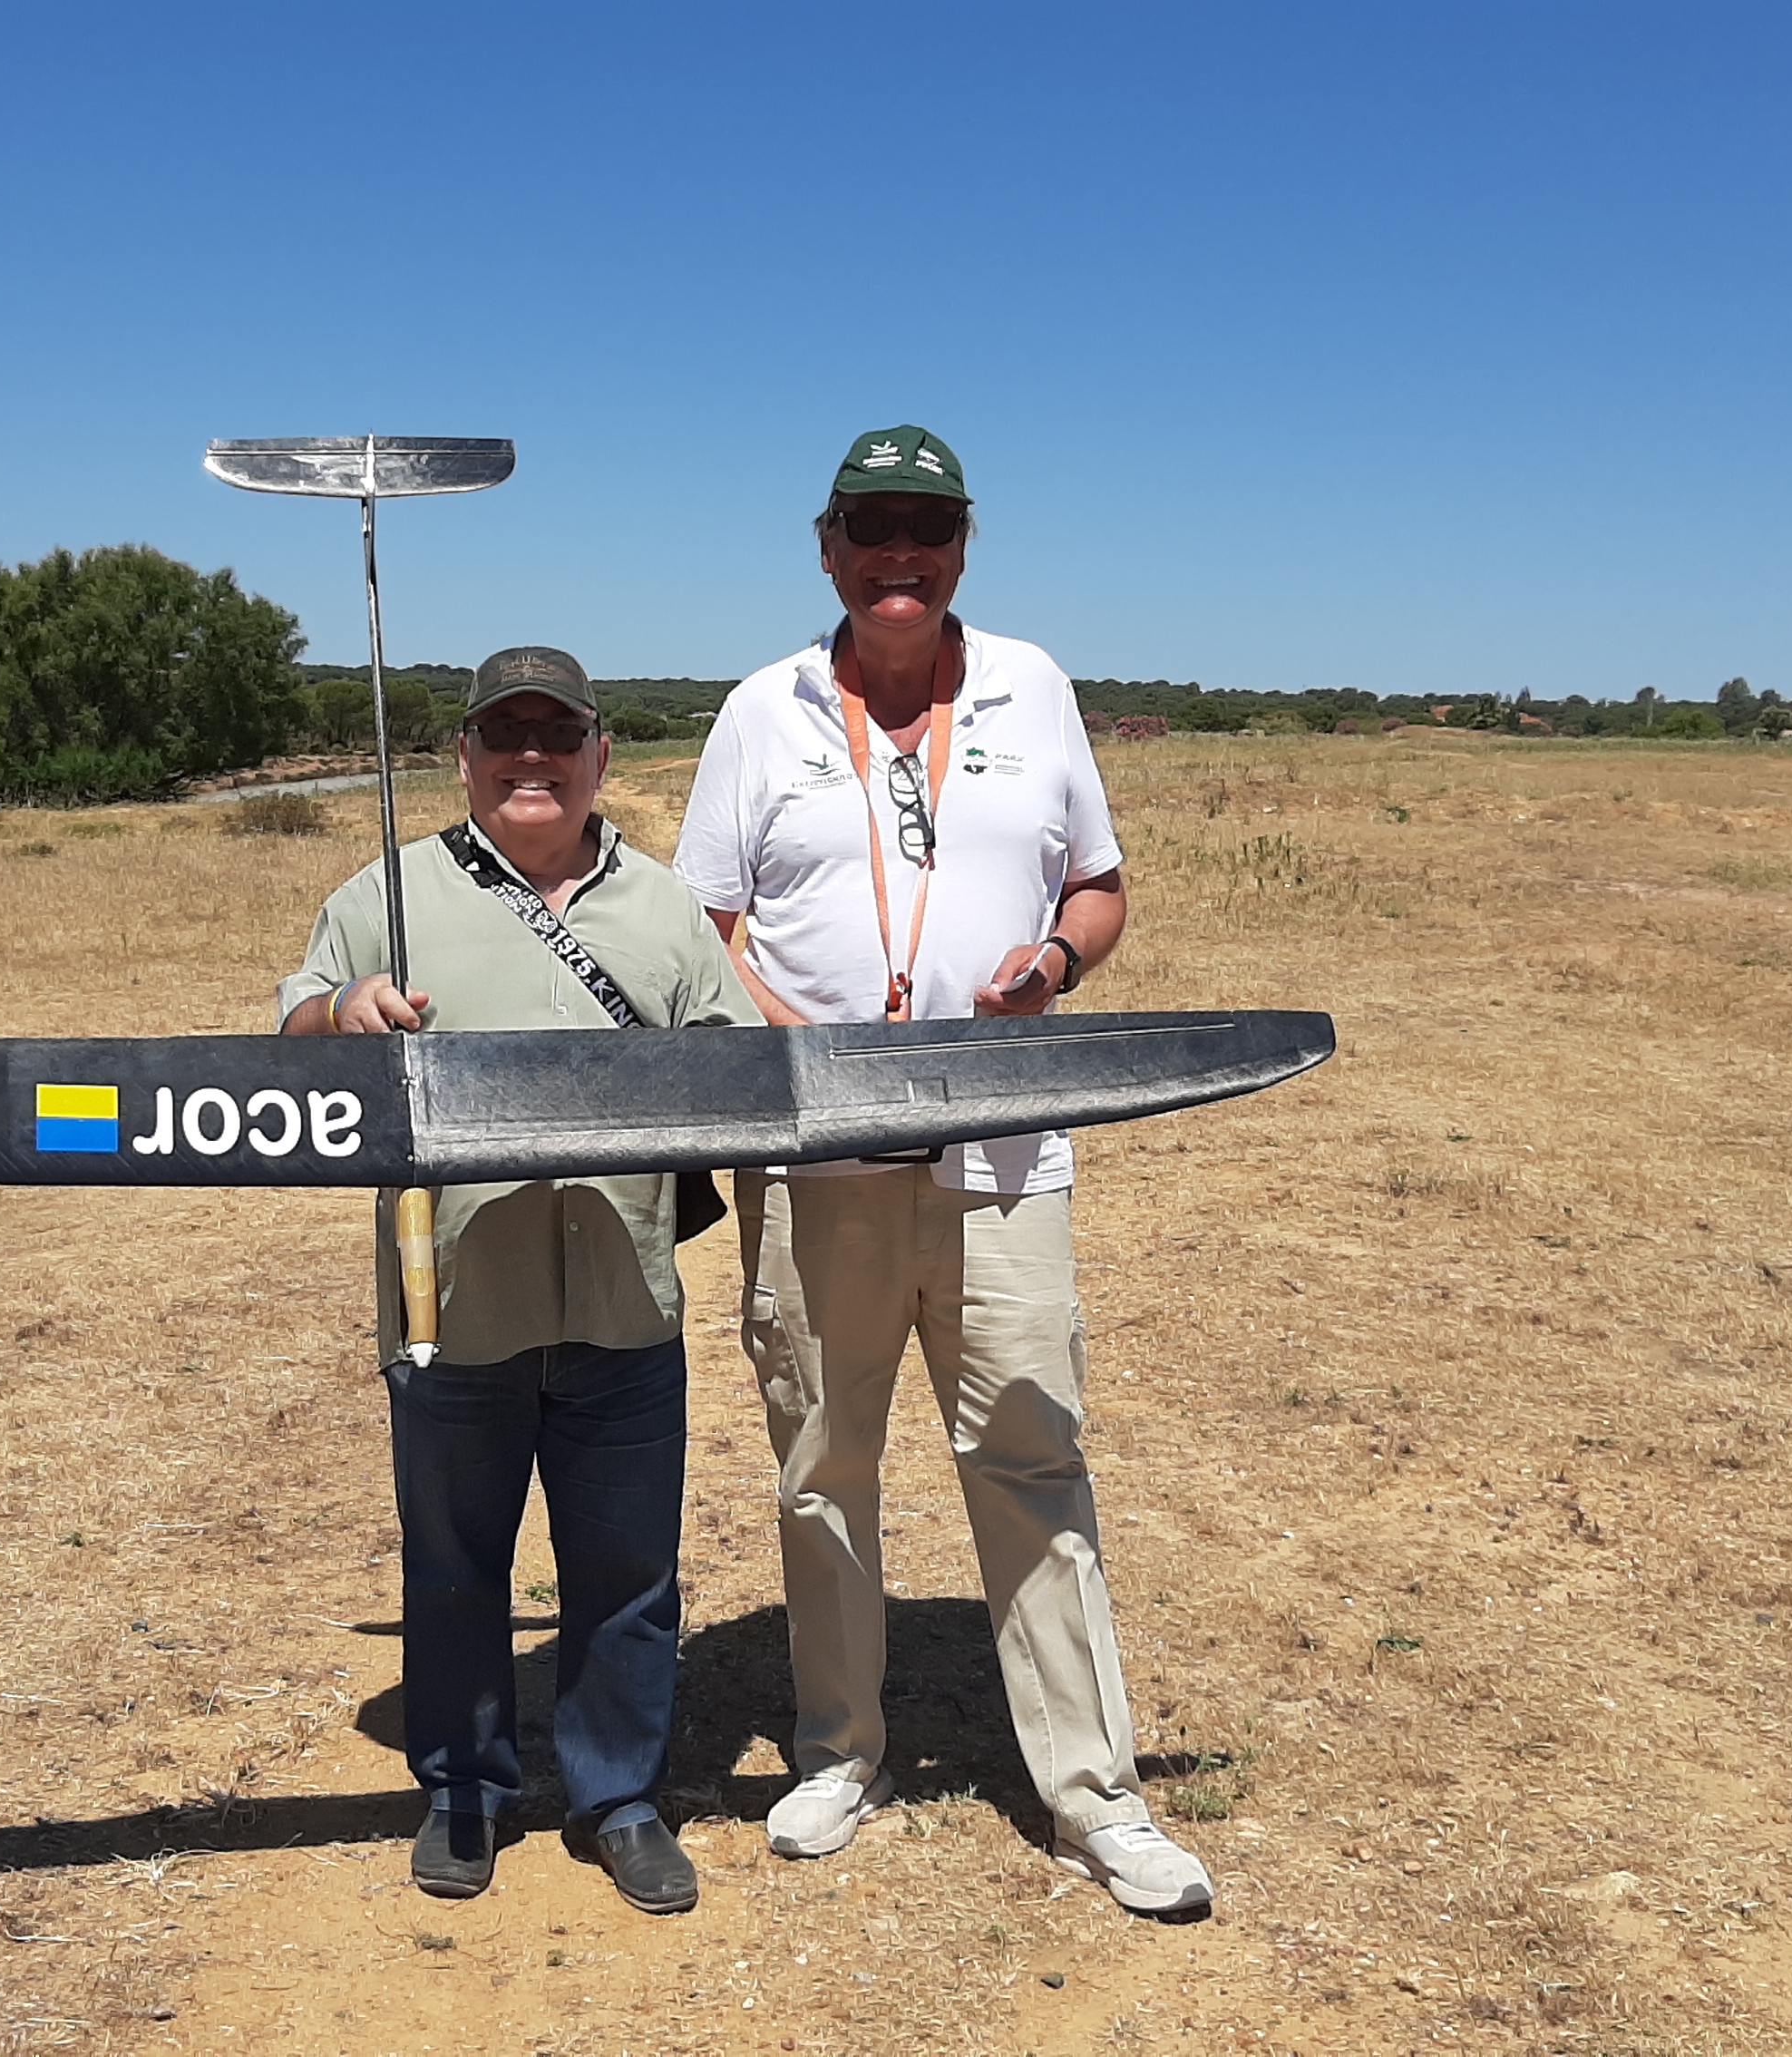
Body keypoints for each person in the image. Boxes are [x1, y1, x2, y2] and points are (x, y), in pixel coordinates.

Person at [672, 426, 1213, 1917]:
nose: (897, 553)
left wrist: (1053, 965)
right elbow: (700, 925)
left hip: (1003, 1156)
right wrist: (796, 1053)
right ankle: (839, 1755)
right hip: (816, 1159)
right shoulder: (761, 710)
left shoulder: (1035, 687)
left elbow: (1097, 888)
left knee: (1032, 1460)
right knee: (823, 1465)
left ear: (965, 545)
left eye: (927, 526)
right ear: (828, 548)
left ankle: (1096, 1798)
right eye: (870, 527)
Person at [280, 645, 757, 1915]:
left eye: (557, 736)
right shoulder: (386, 895)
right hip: (451, 1310)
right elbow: (291, 1036)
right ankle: (465, 1791)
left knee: (629, 1573)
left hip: (624, 1302)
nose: (530, 758)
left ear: (600, 755)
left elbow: (737, 1064)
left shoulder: (663, 906)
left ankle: (621, 1798)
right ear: (464, 758)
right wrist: (343, 1011)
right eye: (505, 736)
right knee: (453, 1568)